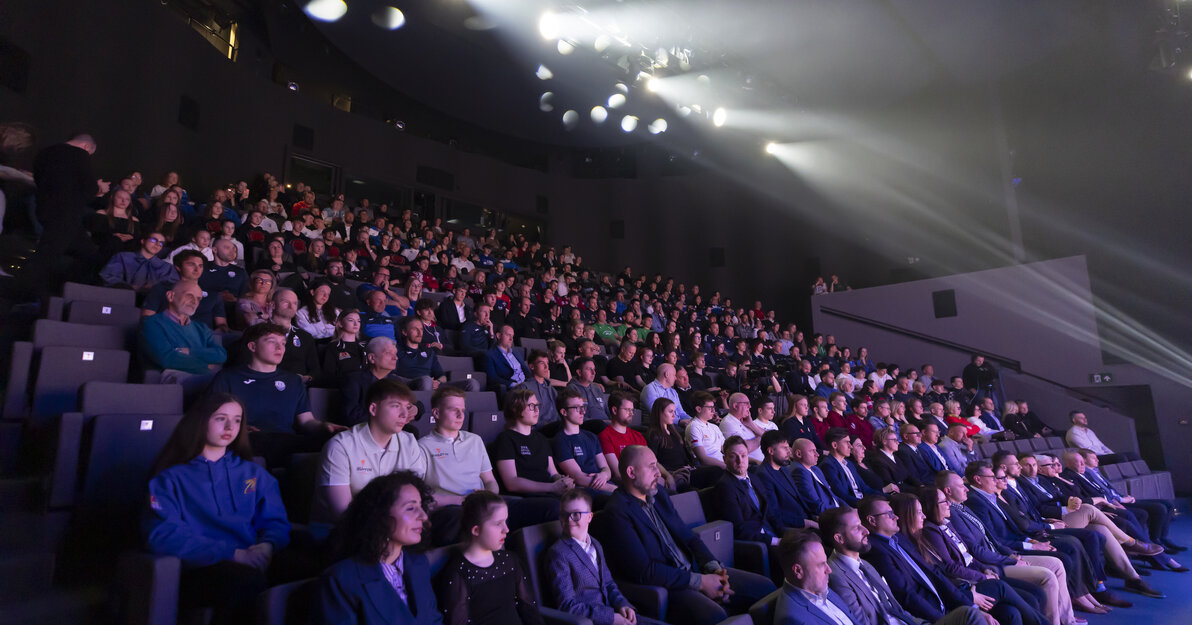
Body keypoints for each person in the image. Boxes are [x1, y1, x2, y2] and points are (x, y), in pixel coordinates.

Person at [145, 394, 290, 624]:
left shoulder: (253, 473)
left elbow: (276, 522)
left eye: (237, 420)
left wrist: (267, 545)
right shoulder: (169, 478)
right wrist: (233, 554)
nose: (230, 427)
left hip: (253, 557)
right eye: (221, 418)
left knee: (307, 566)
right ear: (201, 421)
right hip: (201, 568)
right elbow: (163, 535)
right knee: (244, 582)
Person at [593, 446, 776, 625]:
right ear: (631, 472)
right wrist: (701, 582)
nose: (658, 473)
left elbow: (689, 537)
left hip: (696, 569)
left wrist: (714, 569)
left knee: (765, 587)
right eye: (651, 467)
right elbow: (645, 571)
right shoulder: (617, 512)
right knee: (715, 616)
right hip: (671, 585)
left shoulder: (659, 495)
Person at [819, 506, 985, 625]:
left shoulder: (865, 564)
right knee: (971, 615)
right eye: (857, 528)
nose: (866, 531)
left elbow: (896, 609)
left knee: (974, 613)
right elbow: (862, 621)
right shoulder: (836, 576)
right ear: (839, 539)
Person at [208, 323, 344, 467]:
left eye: (283, 343)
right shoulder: (227, 377)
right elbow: (210, 418)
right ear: (253, 347)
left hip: (286, 441)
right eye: (272, 342)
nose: (280, 348)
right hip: (247, 439)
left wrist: (324, 426)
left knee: (336, 443)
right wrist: (238, 428)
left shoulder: (293, 381)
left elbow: (306, 421)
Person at [316, 471, 441, 625]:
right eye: (410, 508)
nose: (424, 516)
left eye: (421, 506)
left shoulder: (419, 564)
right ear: (379, 516)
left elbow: (434, 620)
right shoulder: (340, 579)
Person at [315, 380, 430, 523]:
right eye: (396, 406)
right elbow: (343, 515)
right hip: (343, 529)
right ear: (373, 409)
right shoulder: (340, 446)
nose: (404, 414)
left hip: (394, 526)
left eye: (407, 407)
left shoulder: (409, 442)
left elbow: (415, 498)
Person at [546, 489, 663, 625]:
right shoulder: (558, 553)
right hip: (593, 621)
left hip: (614, 613)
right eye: (563, 515)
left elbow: (608, 584)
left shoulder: (596, 544)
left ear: (589, 517)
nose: (569, 520)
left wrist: (623, 605)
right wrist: (611, 618)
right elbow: (567, 606)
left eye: (576, 514)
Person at [12, 133, 101, 300]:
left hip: (45, 209)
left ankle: (64, 290)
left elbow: (39, 180)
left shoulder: (44, 153)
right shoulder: (80, 155)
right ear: (86, 147)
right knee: (47, 255)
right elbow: (89, 188)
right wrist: (98, 189)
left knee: (87, 252)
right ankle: (18, 293)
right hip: (66, 213)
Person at [438, 491, 544, 625]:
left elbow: (530, 611)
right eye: (498, 523)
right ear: (476, 530)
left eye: (505, 521)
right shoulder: (459, 574)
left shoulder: (510, 560)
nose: (506, 529)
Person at [138, 280, 227, 392]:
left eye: (198, 299)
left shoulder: (202, 328)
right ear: (170, 296)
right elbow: (167, 358)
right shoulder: (152, 323)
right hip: (170, 377)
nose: (194, 302)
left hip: (202, 377)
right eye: (189, 296)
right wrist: (205, 365)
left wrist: (188, 351)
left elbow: (221, 354)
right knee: (219, 385)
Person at [493, 389, 575, 496]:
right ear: (515, 408)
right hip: (526, 497)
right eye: (532, 406)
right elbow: (511, 483)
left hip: (548, 493)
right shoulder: (505, 439)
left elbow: (553, 473)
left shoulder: (541, 438)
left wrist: (562, 480)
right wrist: (551, 487)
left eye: (537, 405)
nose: (537, 410)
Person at [772, 529, 863, 625]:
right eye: (821, 565)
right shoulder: (793, 619)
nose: (829, 570)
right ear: (798, 571)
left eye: (826, 562)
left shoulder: (818, 586)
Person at [553, 388, 616, 495]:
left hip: (603, 484)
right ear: (564, 412)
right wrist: (615, 490)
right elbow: (578, 478)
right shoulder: (561, 440)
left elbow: (606, 468)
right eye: (577, 408)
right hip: (585, 490)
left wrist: (604, 475)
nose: (583, 412)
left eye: (583, 407)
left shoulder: (591, 436)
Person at [820, 428, 886, 507]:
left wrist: (886, 497)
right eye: (847, 442)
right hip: (853, 507)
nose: (850, 446)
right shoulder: (828, 466)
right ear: (835, 445)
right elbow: (841, 495)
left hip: (863, 502)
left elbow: (865, 488)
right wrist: (866, 504)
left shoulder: (849, 464)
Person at [99, 231, 177, 292]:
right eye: (153, 240)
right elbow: (108, 276)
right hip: (122, 296)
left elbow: (173, 287)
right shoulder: (123, 257)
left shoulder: (167, 268)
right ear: (143, 241)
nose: (157, 244)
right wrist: (129, 287)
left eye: (161, 243)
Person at [598, 391, 647, 483]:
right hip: (627, 483)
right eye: (627, 410)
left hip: (644, 478)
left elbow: (650, 461)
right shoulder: (605, 436)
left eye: (632, 410)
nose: (631, 413)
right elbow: (618, 472)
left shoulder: (638, 435)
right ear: (614, 410)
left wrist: (667, 475)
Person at [1064, 412, 1138, 465]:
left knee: (1133, 455)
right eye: (1081, 418)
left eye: (1085, 418)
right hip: (1093, 458)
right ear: (1074, 420)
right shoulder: (1073, 432)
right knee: (1120, 458)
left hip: (1103, 455)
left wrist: (1111, 454)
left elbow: (1102, 445)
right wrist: (1107, 455)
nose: (1085, 419)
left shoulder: (1089, 431)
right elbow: (1087, 451)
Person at [517, 350, 559, 432]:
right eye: (542, 363)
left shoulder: (551, 389)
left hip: (556, 427)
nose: (546, 367)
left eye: (547, 363)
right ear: (532, 366)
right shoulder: (524, 388)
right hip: (537, 430)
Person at [321, 309, 367, 384]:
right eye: (351, 320)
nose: (356, 324)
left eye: (358, 321)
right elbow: (328, 375)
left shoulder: (364, 346)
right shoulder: (333, 347)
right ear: (340, 323)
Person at [718, 392, 766, 463]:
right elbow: (742, 448)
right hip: (750, 465)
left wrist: (751, 424)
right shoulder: (728, 422)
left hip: (763, 462)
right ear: (735, 406)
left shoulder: (746, 421)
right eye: (746, 403)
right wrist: (761, 438)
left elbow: (768, 436)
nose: (750, 406)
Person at [485, 325, 529, 394]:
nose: (511, 339)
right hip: (513, 389)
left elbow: (526, 370)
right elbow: (492, 378)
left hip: (527, 385)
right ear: (499, 336)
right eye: (508, 335)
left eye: (512, 336)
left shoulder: (516, 352)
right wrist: (514, 385)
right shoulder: (490, 355)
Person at [568, 357, 609, 422]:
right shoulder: (572, 389)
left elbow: (607, 410)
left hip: (607, 423)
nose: (593, 373)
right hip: (589, 424)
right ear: (579, 372)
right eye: (589, 369)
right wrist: (602, 422)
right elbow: (575, 416)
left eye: (594, 369)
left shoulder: (597, 388)